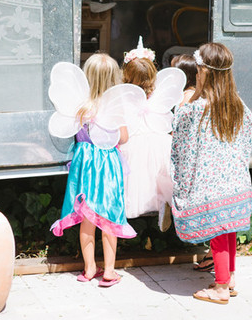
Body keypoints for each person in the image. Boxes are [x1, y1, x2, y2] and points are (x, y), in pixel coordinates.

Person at [171, 42, 252, 305]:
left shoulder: (195, 108)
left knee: (218, 234)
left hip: (211, 185)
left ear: (204, 72)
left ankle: (219, 288)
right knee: (228, 232)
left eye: (198, 68)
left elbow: (180, 142)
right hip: (236, 183)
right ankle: (228, 279)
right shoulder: (238, 105)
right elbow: (248, 136)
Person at [50, 52, 136, 287]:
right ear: (113, 78)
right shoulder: (115, 107)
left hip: (84, 163)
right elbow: (124, 138)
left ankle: (89, 269)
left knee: (87, 217)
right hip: (107, 164)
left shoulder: (80, 107)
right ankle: (109, 271)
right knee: (108, 217)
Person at [120, 49, 174, 227]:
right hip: (158, 140)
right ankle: (163, 203)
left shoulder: (124, 96)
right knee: (160, 175)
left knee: (136, 179)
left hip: (134, 141)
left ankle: (125, 213)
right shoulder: (157, 96)